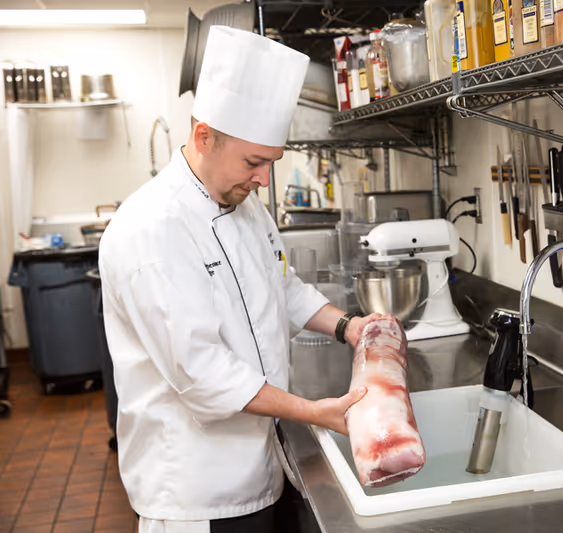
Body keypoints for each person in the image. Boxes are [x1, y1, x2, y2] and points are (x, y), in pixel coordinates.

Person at [99, 26, 381, 532]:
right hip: (197, 491)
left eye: (270, 163)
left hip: (262, 470)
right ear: (204, 135)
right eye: (254, 162)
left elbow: (283, 287)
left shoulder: (243, 204)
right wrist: (316, 411)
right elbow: (203, 375)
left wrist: (351, 327)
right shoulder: (151, 230)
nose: (263, 180)